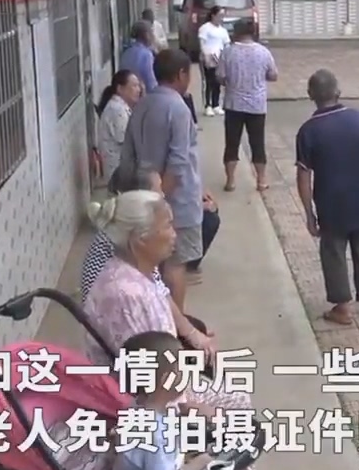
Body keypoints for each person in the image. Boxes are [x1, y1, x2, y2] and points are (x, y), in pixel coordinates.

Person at [112, 330, 296, 470]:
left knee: (210, 465)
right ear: (166, 380)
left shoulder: (146, 408)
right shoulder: (150, 431)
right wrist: (199, 467)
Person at [82, 190, 248, 413]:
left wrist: (193, 334)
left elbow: (163, 296)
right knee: (237, 400)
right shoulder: (126, 297)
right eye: (168, 226)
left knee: (228, 386)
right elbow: (148, 384)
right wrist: (189, 408)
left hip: (167, 378)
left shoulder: (139, 267)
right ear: (141, 239)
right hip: (144, 401)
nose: (174, 234)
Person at [119, 48, 212, 310]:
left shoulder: (141, 105)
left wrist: (139, 198)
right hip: (176, 204)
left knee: (151, 267)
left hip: (142, 198)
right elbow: (178, 162)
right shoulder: (178, 108)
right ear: (181, 74)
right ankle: (174, 324)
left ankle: (155, 317)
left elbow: (127, 155)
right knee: (174, 265)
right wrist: (160, 201)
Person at [296, 70, 359, 324]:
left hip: (330, 204)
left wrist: (309, 213)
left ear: (310, 95)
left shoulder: (308, 131)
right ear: (338, 91)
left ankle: (342, 307)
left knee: (333, 253)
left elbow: (303, 175)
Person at [220, 19, 277, 192]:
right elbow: (273, 75)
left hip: (233, 104)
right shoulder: (263, 52)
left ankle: (230, 180)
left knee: (232, 143)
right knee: (257, 143)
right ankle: (261, 180)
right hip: (256, 105)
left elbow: (220, 76)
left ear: (236, 32)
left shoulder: (228, 52)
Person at [95, 70, 143, 182]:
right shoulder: (117, 110)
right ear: (120, 89)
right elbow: (127, 139)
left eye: (138, 86)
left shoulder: (120, 106)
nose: (138, 90)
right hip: (119, 171)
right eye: (134, 86)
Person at [198, 6, 231, 116]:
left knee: (217, 82)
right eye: (220, 15)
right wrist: (206, 56)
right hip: (208, 57)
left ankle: (216, 104)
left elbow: (226, 44)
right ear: (213, 15)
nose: (221, 18)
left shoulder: (223, 30)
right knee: (208, 82)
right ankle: (208, 105)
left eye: (223, 16)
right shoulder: (205, 28)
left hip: (219, 58)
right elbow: (202, 43)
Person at [120, 21, 158, 92]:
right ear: (146, 35)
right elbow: (151, 83)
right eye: (152, 32)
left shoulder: (126, 52)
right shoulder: (146, 55)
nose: (154, 36)